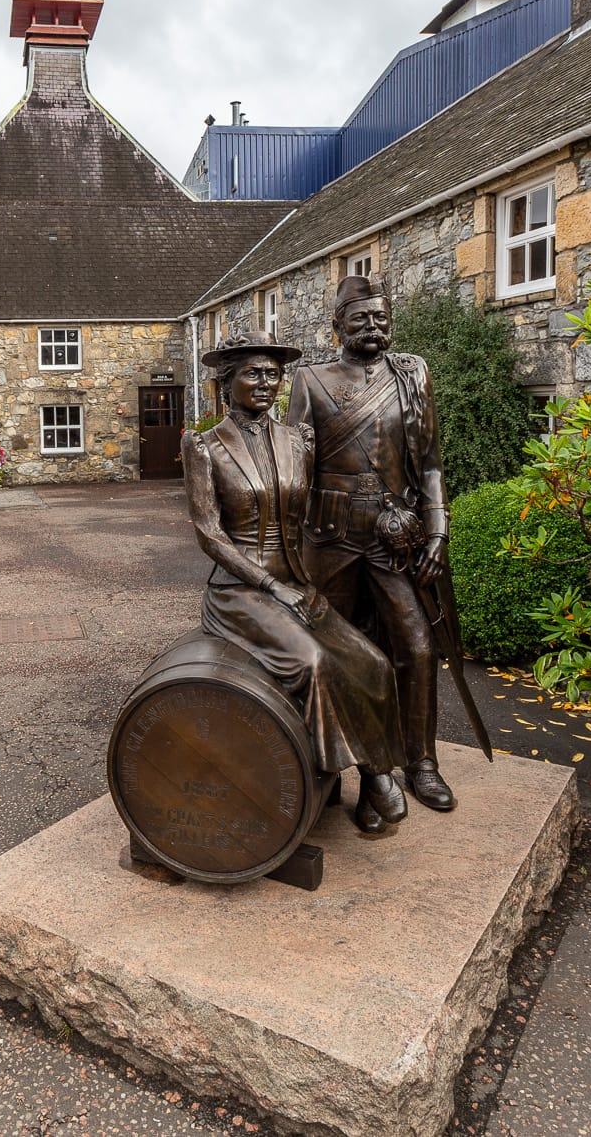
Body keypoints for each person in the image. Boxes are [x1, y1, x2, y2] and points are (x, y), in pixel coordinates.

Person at [182, 330, 409, 834]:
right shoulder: (204, 446)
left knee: (372, 661)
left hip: (300, 583)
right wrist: (269, 586)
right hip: (240, 592)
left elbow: (330, 498)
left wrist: (391, 518)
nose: (266, 382)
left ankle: (375, 774)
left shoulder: (298, 440)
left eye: (273, 374)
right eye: (252, 373)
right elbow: (210, 535)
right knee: (315, 662)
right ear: (226, 383)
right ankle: (369, 776)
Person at [287, 274, 493, 822]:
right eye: (361, 319)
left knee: (417, 648)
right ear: (337, 326)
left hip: (392, 537)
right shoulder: (310, 380)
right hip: (329, 541)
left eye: (381, 318)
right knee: (331, 656)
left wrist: (438, 531)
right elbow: (294, 472)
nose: (373, 327)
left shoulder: (412, 374)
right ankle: (335, 770)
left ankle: (419, 762)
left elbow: (429, 463)